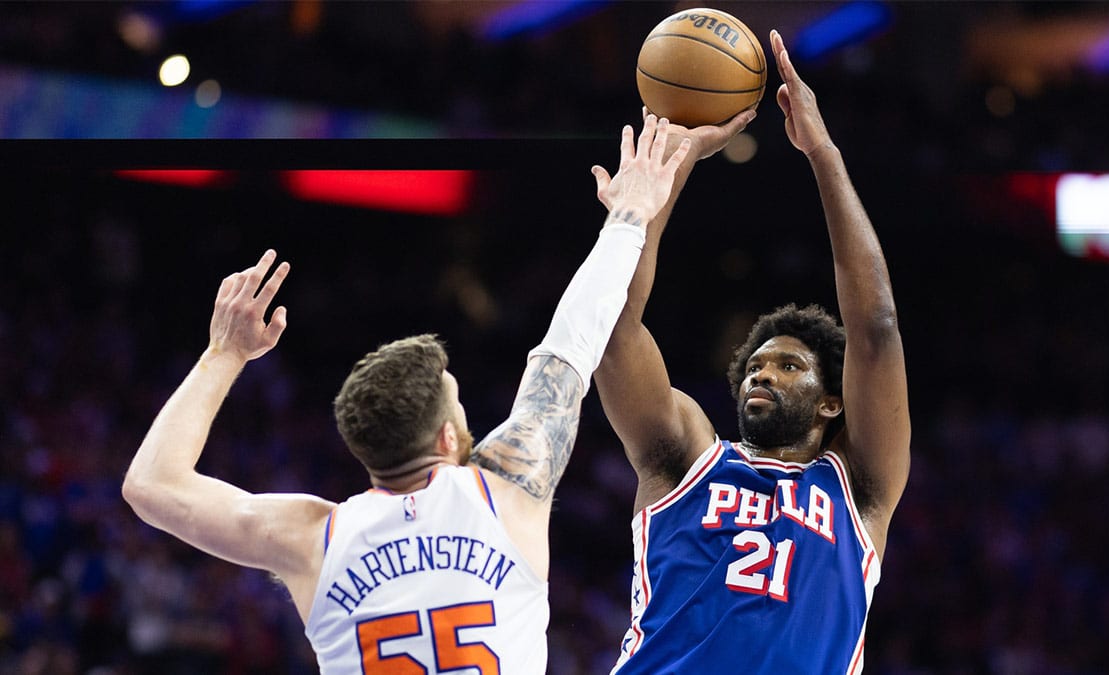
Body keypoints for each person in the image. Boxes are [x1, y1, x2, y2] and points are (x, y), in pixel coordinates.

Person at [121, 115, 692, 673]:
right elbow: (569, 346)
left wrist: (224, 354)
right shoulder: (510, 486)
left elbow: (151, 486)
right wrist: (628, 216)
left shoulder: (313, 537)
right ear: (448, 435)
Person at [594, 30, 911, 674]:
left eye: (788, 365)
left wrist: (822, 152)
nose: (762, 372)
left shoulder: (861, 491)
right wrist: (666, 173)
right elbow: (613, 327)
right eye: (757, 366)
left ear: (830, 402)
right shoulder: (685, 457)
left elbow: (875, 327)